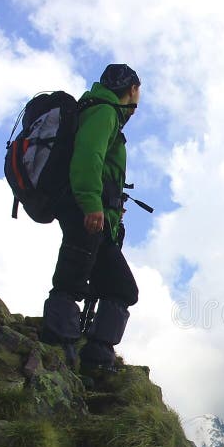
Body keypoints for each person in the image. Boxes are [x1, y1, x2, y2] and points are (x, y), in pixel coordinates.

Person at [40, 64, 141, 373]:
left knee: (113, 285)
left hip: (95, 215)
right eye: (138, 91)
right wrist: (91, 204)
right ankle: (64, 345)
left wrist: (107, 207)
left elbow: (100, 166)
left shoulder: (97, 110)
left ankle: (92, 356)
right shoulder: (105, 112)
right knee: (77, 277)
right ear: (131, 90)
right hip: (85, 211)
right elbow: (89, 156)